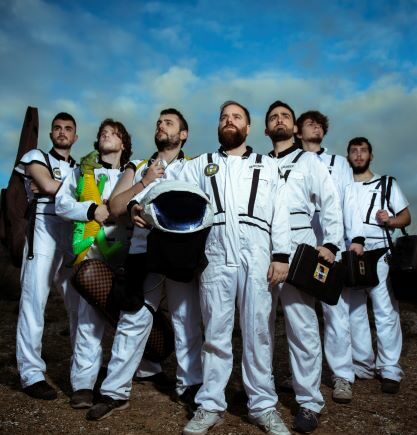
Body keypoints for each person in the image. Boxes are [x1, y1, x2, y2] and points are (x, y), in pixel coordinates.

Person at [181, 101, 292, 435]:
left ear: (248, 127)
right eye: (224, 117)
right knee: (215, 331)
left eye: (236, 117)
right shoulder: (201, 164)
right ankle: (211, 404)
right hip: (215, 250)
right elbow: (169, 189)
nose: (229, 121)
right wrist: (139, 206)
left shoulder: (268, 165)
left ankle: (262, 406)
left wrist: (281, 255)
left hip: (257, 250)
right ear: (218, 126)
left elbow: (280, 209)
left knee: (258, 330)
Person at [85, 108, 204, 421]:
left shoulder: (195, 166)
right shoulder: (138, 166)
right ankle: (114, 392)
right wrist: (140, 192)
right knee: (132, 319)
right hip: (143, 251)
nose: (161, 126)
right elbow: (114, 205)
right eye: (159, 122)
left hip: (179, 251)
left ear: (183, 134)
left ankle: (191, 387)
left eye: (169, 123)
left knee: (186, 320)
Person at [265, 101, 343, 433]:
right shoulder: (258, 163)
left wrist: (331, 243)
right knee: (260, 323)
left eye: (285, 116)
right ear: (266, 129)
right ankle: (262, 394)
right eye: (273, 117)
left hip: (300, 240)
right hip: (263, 242)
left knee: (302, 324)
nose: (279, 120)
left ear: (295, 127)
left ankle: (309, 402)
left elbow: (330, 201)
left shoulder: (309, 160)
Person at [55, 118, 145, 408]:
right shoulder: (82, 172)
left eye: (114, 133)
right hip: (92, 252)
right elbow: (61, 203)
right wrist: (91, 209)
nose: (106, 136)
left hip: (126, 254)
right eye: (103, 133)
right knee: (88, 320)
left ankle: (122, 378)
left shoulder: (134, 173)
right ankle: (83, 384)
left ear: (123, 143)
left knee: (129, 318)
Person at [297, 110, 365, 404]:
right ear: (298, 130)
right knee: (299, 312)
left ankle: (342, 375)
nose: (316, 127)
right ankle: (302, 374)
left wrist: (356, 238)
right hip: (300, 243)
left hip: (330, 245)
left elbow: (349, 200)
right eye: (309, 123)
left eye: (320, 124)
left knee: (334, 310)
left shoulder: (339, 163)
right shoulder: (291, 160)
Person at [15, 112, 80, 400]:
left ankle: (83, 369)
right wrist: (64, 189)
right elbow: (47, 185)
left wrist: (56, 188)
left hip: (73, 232)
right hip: (43, 228)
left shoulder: (80, 168)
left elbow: (54, 188)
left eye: (68, 129)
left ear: (75, 136)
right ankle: (31, 374)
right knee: (34, 301)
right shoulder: (36, 156)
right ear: (51, 134)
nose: (62, 132)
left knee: (79, 303)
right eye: (58, 128)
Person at [347, 136, 411, 394]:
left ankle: (390, 369)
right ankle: (362, 365)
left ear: (371, 155)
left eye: (363, 150)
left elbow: (406, 217)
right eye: (354, 151)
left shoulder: (386, 183)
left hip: (380, 251)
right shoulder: (342, 185)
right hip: (351, 252)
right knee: (354, 311)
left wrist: (389, 221)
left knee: (385, 311)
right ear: (348, 156)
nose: (358, 155)